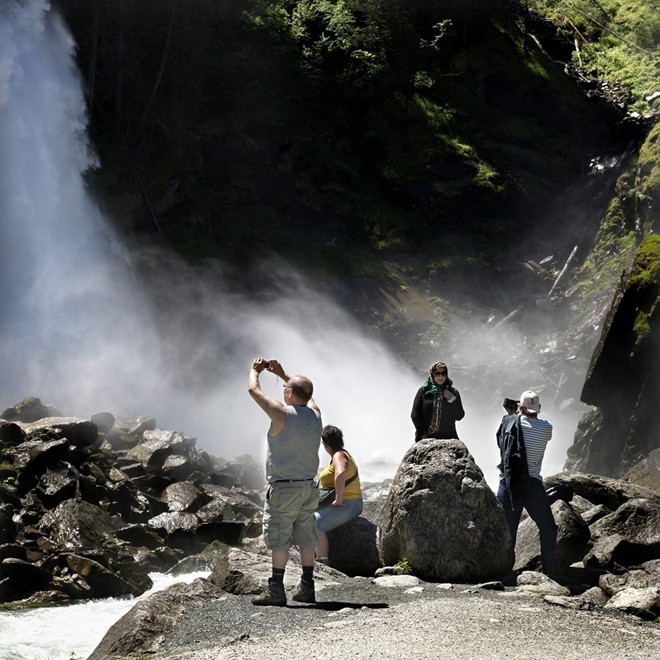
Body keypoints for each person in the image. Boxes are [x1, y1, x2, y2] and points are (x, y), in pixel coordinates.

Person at [248, 357, 322, 606]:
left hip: (284, 487)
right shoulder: (316, 416)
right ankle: (307, 587)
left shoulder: (281, 413)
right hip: (309, 487)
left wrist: (254, 371)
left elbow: (253, 390)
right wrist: (283, 375)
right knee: (306, 536)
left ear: (289, 393)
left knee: (279, 538)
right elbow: (308, 395)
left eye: (285, 389)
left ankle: (276, 590)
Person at [496, 390, 558, 574]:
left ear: (521, 407)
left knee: (508, 530)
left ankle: (504, 570)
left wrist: (513, 413)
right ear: (538, 408)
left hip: (508, 483)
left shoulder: (508, 422)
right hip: (532, 484)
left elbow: (501, 442)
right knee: (547, 527)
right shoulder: (547, 428)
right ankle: (549, 568)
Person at [314, 425, 363, 565]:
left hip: (349, 502)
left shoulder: (338, 456)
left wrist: (338, 499)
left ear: (325, 444)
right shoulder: (341, 454)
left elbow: (340, 472)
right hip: (349, 502)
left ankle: (322, 562)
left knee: (315, 523)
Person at [411, 361, 465, 441]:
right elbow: (415, 415)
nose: (441, 377)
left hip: (448, 438)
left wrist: (452, 399)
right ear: (432, 374)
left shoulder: (453, 392)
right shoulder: (424, 391)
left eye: (443, 373)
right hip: (426, 438)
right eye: (437, 373)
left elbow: (459, 416)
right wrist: (422, 433)